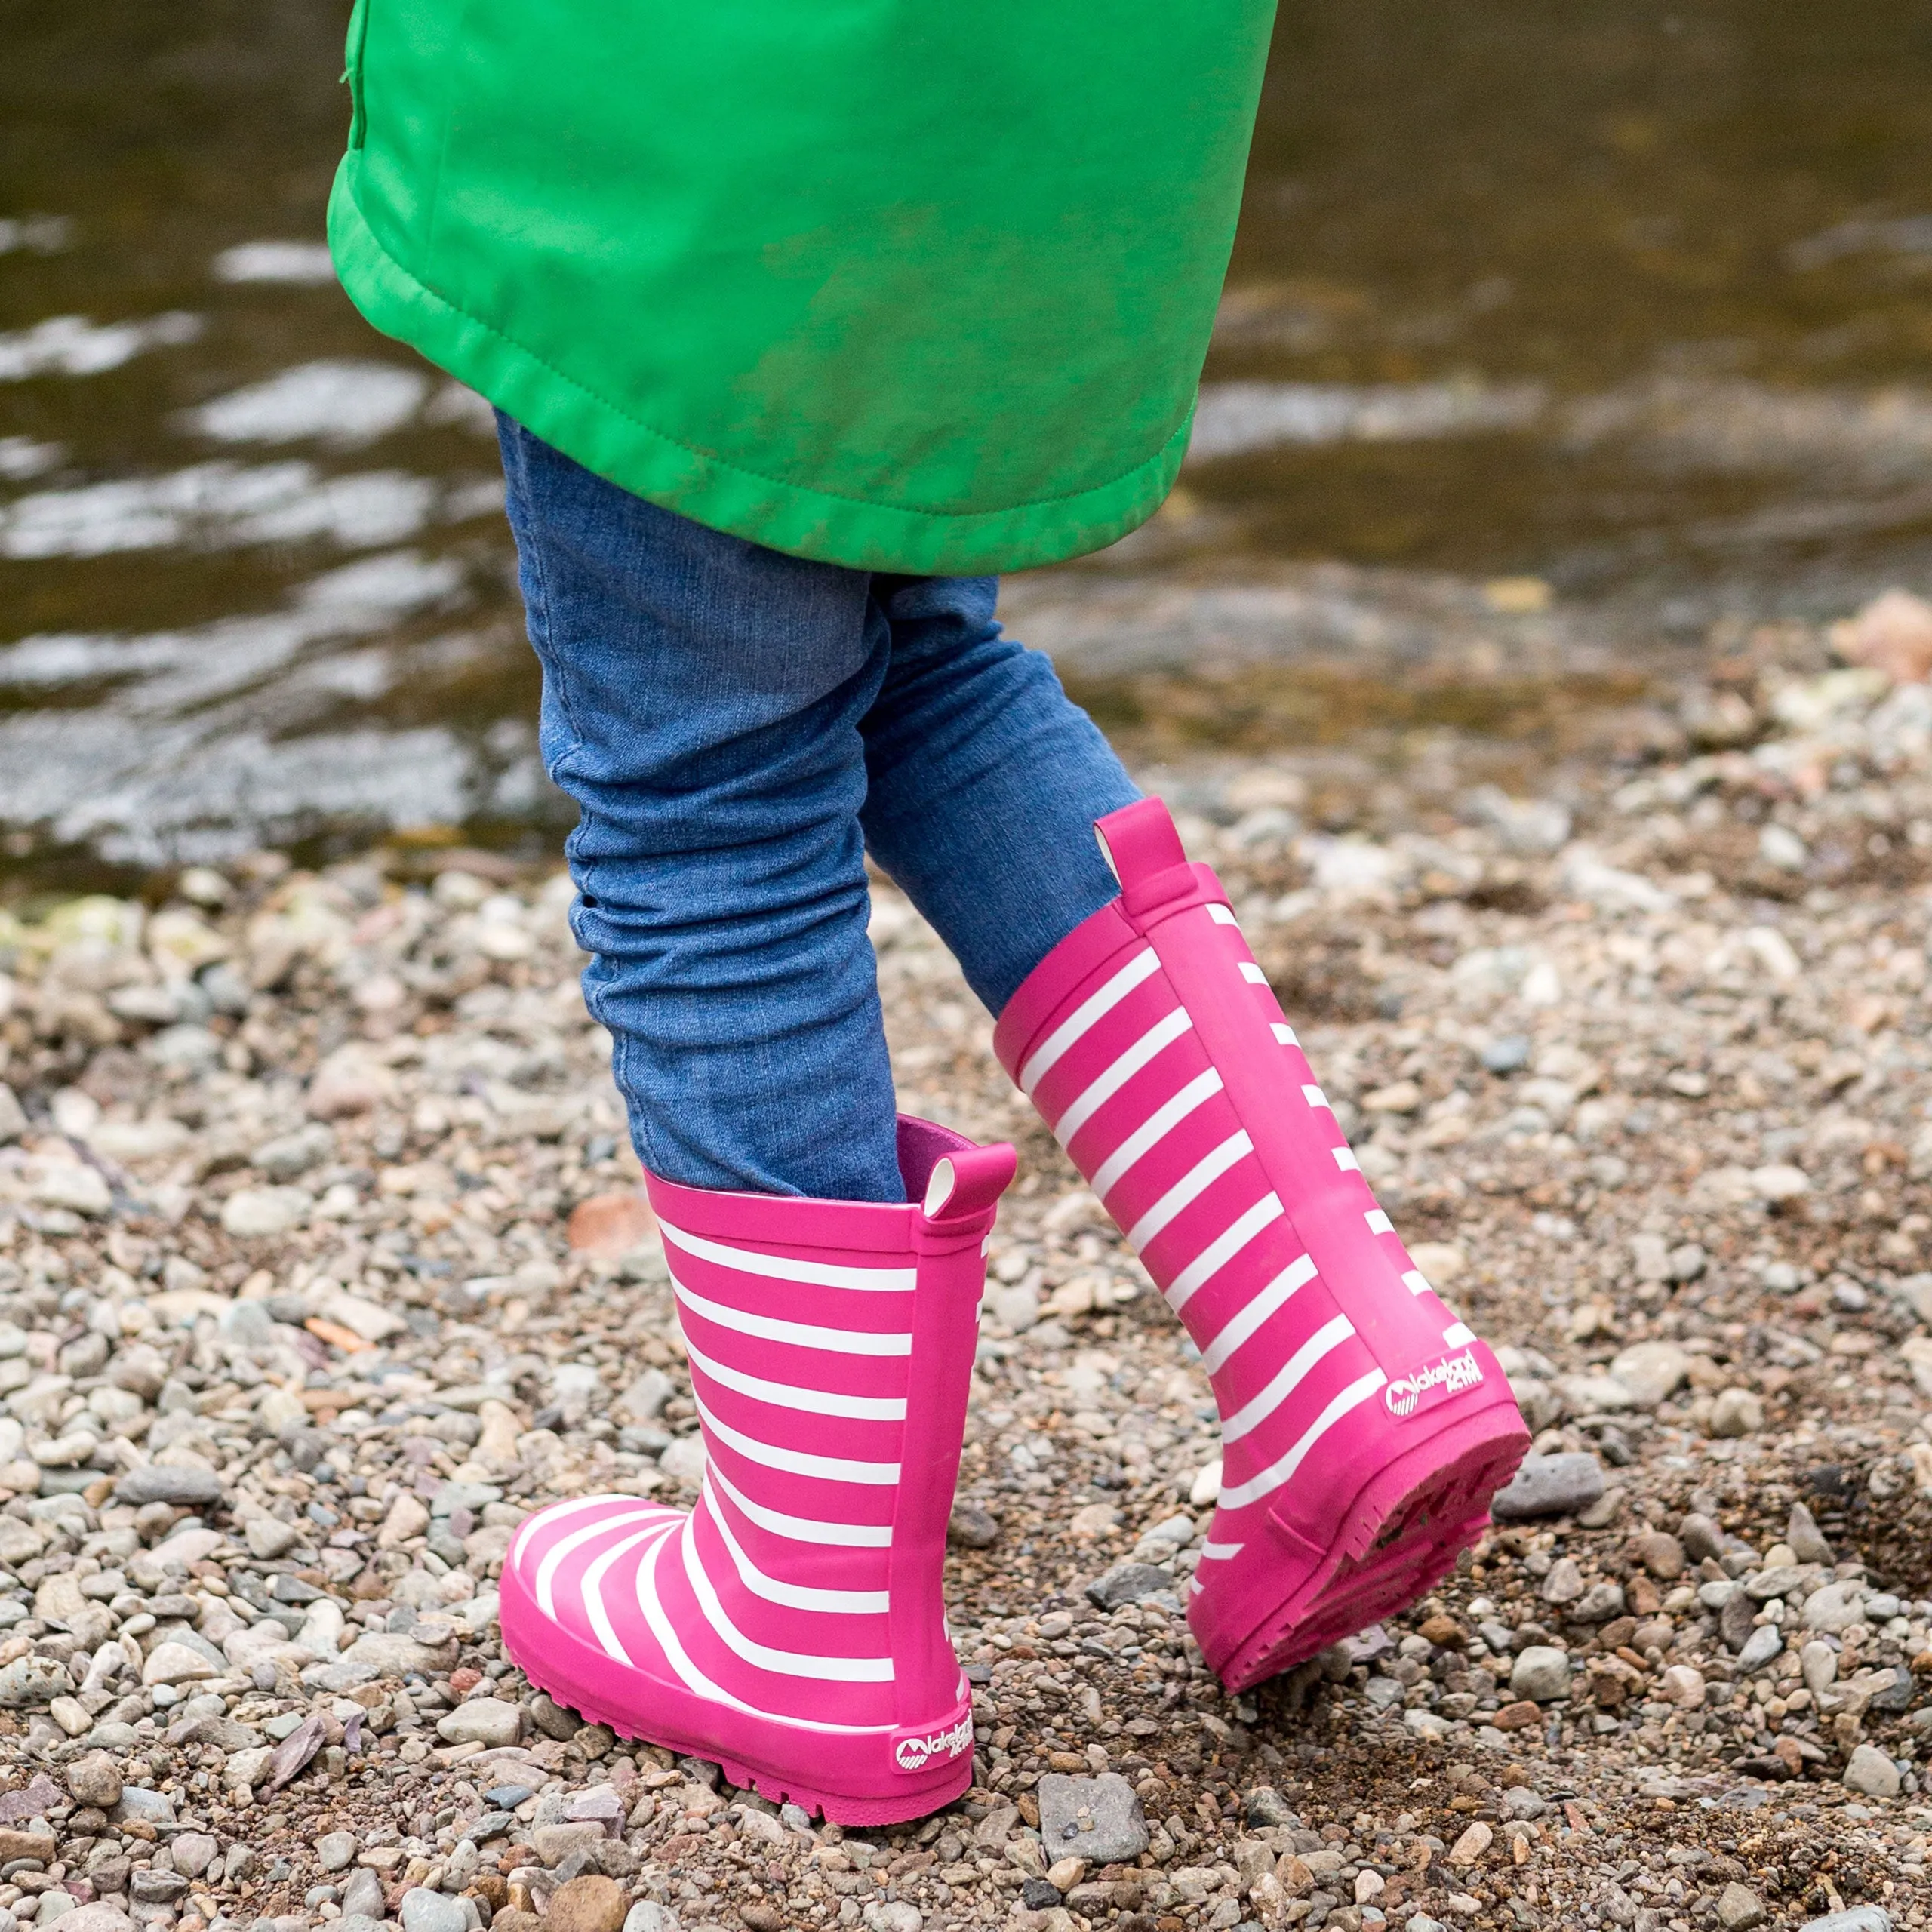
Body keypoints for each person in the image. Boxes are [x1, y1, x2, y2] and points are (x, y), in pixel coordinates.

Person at [328, 0, 1528, 1823]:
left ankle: (801, 1615)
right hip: (1023, 113)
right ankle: (1334, 1348)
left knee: (705, 782)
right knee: (915, 659)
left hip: (695, 128)